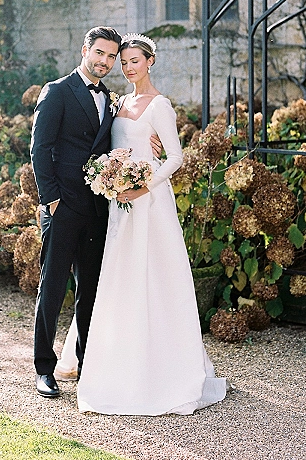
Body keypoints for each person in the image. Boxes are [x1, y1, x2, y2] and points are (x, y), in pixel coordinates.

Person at [69, 33, 227, 415]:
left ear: (150, 61)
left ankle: (164, 370)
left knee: (154, 278)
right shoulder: (118, 102)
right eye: (123, 62)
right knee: (120, 277)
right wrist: (109, 178)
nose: (127, 67)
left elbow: (175, 158)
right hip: (120, 207)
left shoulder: (161, 106)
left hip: (149, 204)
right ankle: (114, 362)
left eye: (134, 61)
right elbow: (110, 146)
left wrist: (143, 185)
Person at [30, 26, 122, 398]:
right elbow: (40, 149)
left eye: (112, 56)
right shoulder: (57, 91)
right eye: (99, 52)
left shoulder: (110, 100)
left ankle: (87, 364)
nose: (105, 61)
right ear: (85, 50)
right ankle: (43, 368)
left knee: (90, 289)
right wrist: (51, 201)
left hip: (98, 209)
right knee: (52, 288)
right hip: (63, 207)